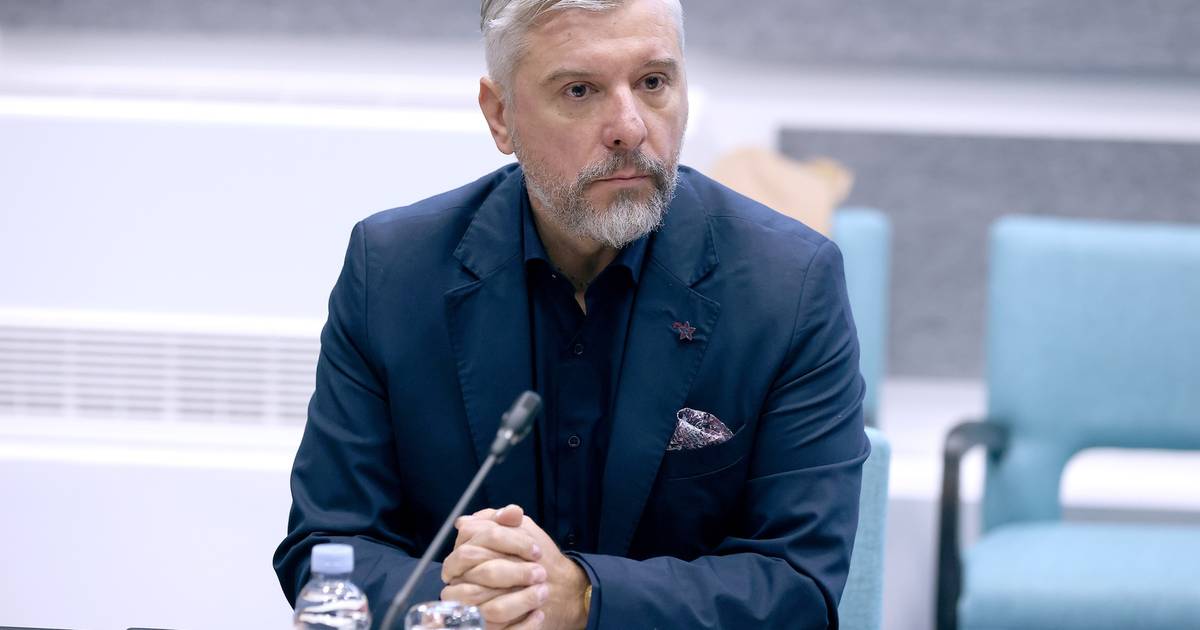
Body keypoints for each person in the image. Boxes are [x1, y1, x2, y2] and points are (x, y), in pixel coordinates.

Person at [273, 1, 869, 628]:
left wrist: (586, 599)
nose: (629, 128)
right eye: (580, 90)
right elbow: (328, 546)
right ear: (501, 116)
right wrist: (481, 603)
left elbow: (798, 582)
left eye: (653, 82)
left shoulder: (789, 285)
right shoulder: (393, 272)